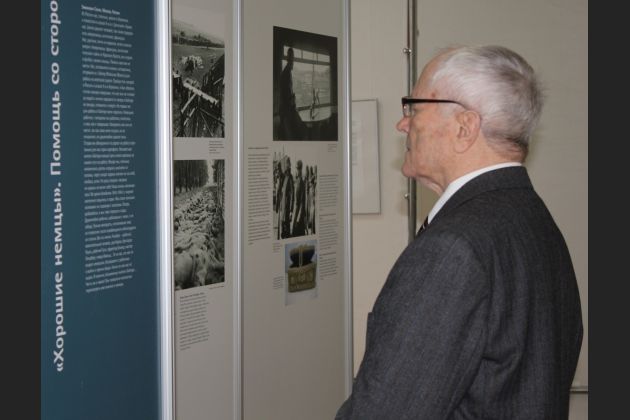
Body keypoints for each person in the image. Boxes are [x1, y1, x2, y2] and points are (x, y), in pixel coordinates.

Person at [335, 45, 583, 419]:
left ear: (464, 128)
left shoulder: (452, 249)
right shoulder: (534, 220)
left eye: (414, 108)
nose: (402, 124)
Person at [278, 47, 307, 139]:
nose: (293, 61)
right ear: (288, 59)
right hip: (287, 112)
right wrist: (292, 100)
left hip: (287, 111)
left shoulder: (287, 72)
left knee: (300, 131)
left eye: (293, 58)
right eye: (291, 58)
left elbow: (288, 93)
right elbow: (286, 96)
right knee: (296, 134)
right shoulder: (285, 74)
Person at [291, 160, 306, 236]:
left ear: (301, 169)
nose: (298, 170)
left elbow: (302, 203)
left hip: (299, 218)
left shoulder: (302, 183)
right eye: (297, 168)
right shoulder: (296, 181)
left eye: (299, 168)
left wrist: (298, 219)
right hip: (295, 212)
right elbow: (294, 200)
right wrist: (292, 212)